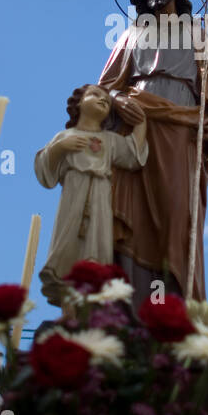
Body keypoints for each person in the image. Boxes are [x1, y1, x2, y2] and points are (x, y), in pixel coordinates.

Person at [99, 0, 208, 309]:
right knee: (132, 217)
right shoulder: (131, 36)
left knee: (177, 218)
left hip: (180, 139)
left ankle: (173, 310)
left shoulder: (196, 34)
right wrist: (116, 100)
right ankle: (129, 310)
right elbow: (104, 90)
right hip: (135, 133)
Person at [34, 84, 148, 308]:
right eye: (95, 95)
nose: (103, 100)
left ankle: (90, 306)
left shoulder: (109, 139)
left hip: (100, 195)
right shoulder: (66, 136)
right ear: (78, 103)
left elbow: (133, 154)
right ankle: (69, 309)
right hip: (73, 194)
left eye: (107, 99)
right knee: (68, 243)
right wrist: (59, 147)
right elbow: (44, 171)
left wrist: (141, 122)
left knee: (97, 245)